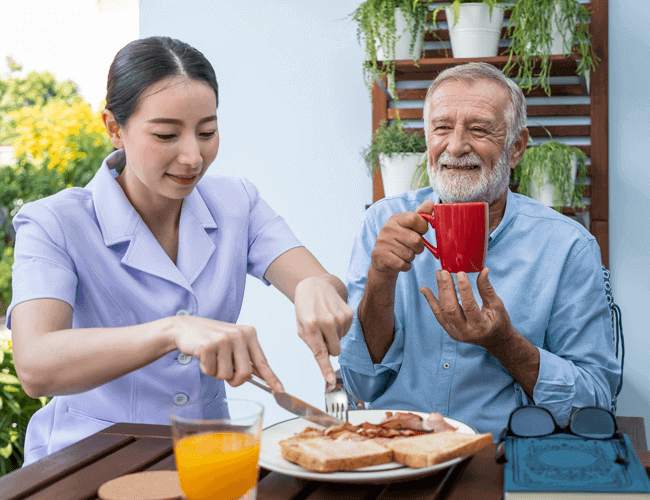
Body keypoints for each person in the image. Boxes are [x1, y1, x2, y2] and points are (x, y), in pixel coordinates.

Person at [8, 36, 353, 466]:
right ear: (114, 128)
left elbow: (317, 282)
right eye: (166, 134)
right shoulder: (54, 222)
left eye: (207, 132)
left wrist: (317, 286)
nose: (193, 156)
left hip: (208, 458)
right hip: (87, 462)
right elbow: (36, 365)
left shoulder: (236, 203)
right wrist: (173, 330)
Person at [339, 62, 621, 438]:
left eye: (479, 129)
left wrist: (504, 343)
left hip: (502, 454)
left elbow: (595, 402)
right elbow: (360, 385)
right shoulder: (382, 223)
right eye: (442, 128)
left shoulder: (568, 246)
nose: (455, 146)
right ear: (427, 140)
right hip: (397, 446)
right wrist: (381, 278)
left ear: (516, 147)